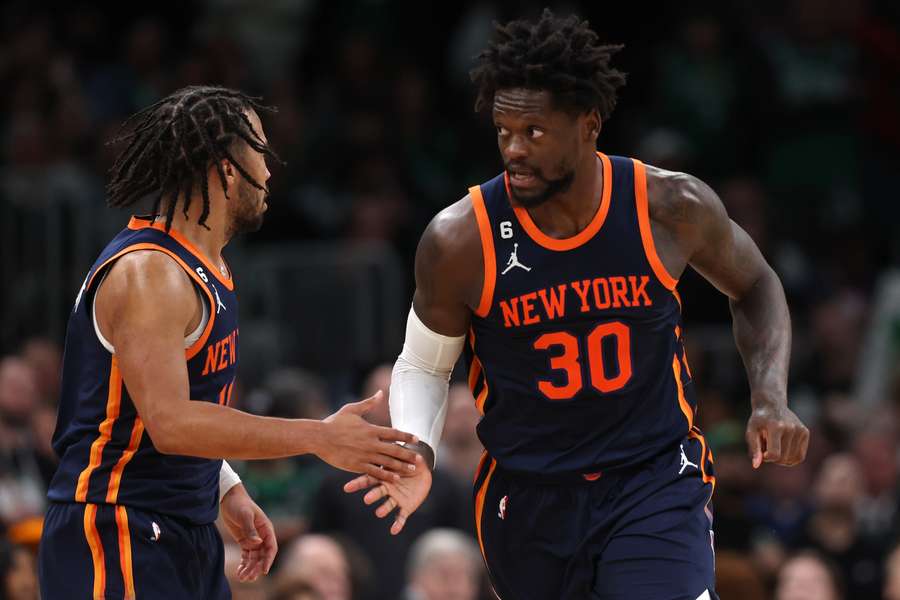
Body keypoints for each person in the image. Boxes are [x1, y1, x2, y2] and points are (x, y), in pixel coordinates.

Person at [344, 10, 810, 600]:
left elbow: (757, 285)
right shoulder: (460, 239)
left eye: (534, 132)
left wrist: (770, 397)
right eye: (503, 131)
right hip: (531, 493)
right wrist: (417, 447)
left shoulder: (667, 206)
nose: (513, 149)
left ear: (589, 124)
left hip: (653, 475)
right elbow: (425, 364)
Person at [37, 85, 421, 599]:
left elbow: (180, 415)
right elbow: (170, 423)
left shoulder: (208, 267)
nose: (268, 171)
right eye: (259, 152)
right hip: (117, 528)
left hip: (183, 528)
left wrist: (225, 487)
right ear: (224, 168)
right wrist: (318, 436)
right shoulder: (152, 275)